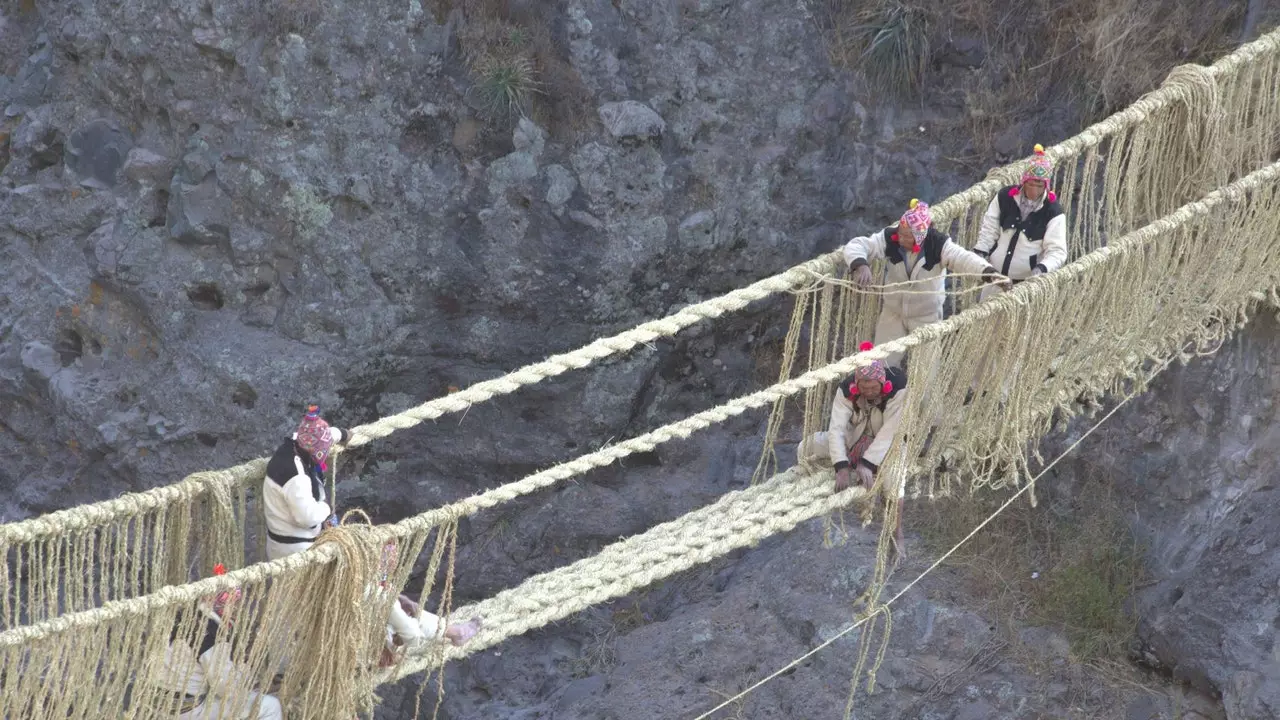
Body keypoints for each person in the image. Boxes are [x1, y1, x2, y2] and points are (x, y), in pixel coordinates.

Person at [845, 198, 1009, 368]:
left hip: (926, 317)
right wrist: (860, 264)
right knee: (881, 364)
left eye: (906, 236)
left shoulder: (938, 245)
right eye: (899, 233)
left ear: (919, 237)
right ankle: (885, 393)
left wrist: (990, 274)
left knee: (926, 369)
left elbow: (963, 259)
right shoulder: (890, 237)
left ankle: (924, 396)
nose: (899, 238)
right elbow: (859, 245)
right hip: (893, 312)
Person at [798, 343, 908, 554]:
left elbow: (890, 431)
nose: (868, 392)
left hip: (888, 444)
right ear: (857, 383)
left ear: (882, 382)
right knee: (806, 446)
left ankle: (897, 531)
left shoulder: (898, 388)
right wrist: (841, 466)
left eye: (873, 388)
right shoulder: (846, 390)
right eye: (863, 388)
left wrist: (867, 464)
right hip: (854, 438)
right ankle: (804, 483)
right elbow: (837, 429)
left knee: (894, 479)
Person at [150, 563, 284, 719]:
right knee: (269, 706)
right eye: (233, 603)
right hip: (186, 712)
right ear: (219, 603)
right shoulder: (210, 634)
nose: (236, 609)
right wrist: (246, 675)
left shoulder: (187, 616)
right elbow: (227, 688)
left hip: (158, 704)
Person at [972, 144, 1068, 301]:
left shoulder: (1053, 212)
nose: (1034, 190)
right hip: (994, 279)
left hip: (1024, 289)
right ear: (1023, 181)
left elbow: (1057, 251)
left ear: (1046, 186)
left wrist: (1042, 269)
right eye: (1030, 184)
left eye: (1039, 185)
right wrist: (980, 252)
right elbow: (989, 229)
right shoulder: (1004, 198)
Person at [374, 542, 482, 668]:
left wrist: (400, 599)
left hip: (359, 645)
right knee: (409, 617)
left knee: (404, 609)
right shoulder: (377, 593)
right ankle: (458, 633)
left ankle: (455, 632)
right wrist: (400, 634)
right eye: (387, 555)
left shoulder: (361, 581)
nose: (393, 560)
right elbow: (412, 635)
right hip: (363, 655)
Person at [263, 405, 346, 560]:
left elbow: (321, 436)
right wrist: (326, 508)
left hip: (281, 542)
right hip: (293, 552)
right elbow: (306, 518)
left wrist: (342, 434)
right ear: (315, 451)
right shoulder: (296, 476)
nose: (326, 453)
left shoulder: (296, 445)